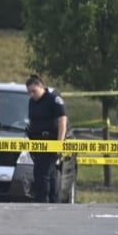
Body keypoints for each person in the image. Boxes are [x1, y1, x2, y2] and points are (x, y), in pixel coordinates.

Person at [26, 74, 68, 203]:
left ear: (41, 86)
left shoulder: (53, 100)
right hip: (37, 143)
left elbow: (62, 120)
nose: (31, 94)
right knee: (51, 174)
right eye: (29, 92)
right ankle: (54, 201)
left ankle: (42, 201)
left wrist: (59, 143)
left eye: (34, 91)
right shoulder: (32, 102)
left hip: (51, 141)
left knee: (41, 173)